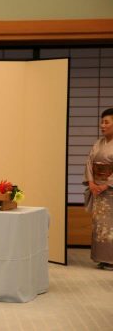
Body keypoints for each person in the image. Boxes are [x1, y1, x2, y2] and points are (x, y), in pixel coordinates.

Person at [83, 108, 113, 271]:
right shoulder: (98, 143)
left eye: (106, 122)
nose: (102, 125)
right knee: (99, 224)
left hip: (111, 191)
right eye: (102, 122)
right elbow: (89, 162)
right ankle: (103, 257)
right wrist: (92, 182)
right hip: (98, 189)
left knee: (110, 225)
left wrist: (106, 184)